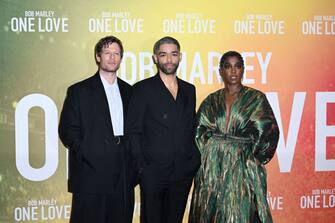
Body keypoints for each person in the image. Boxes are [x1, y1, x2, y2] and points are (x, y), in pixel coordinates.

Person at [189, 51, 279, 223]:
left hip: (243, 165)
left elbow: (269, 131)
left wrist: (254, 158)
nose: (233, 71)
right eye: (228, 66)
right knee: (212, 211)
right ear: (221, 71)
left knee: (242, 211)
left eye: (237, 66)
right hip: (213, 168)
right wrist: (210, 155)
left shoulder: (256, 98)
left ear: (243, 70)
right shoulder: (211, 100)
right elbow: (199, 130)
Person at [58, 36, 135, 223]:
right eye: (107, 53)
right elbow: (67, 130)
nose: (112, 58)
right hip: (91, 174)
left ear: (121, 58)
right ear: (97, 57)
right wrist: (89, 151)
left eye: (116, 53)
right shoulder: (79, 91)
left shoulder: (130, 91)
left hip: (123, 176)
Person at [126, 36, 201, 223]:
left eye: (173, 54)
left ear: (180, 57)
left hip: (183, 171)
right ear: (155, 58)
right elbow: (133, 130)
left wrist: (193, 161)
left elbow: (190, 127)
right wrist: (141, 166)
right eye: (163, 54)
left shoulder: (189, 90)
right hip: (153, 172)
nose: (169, 60)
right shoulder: (142, 89)